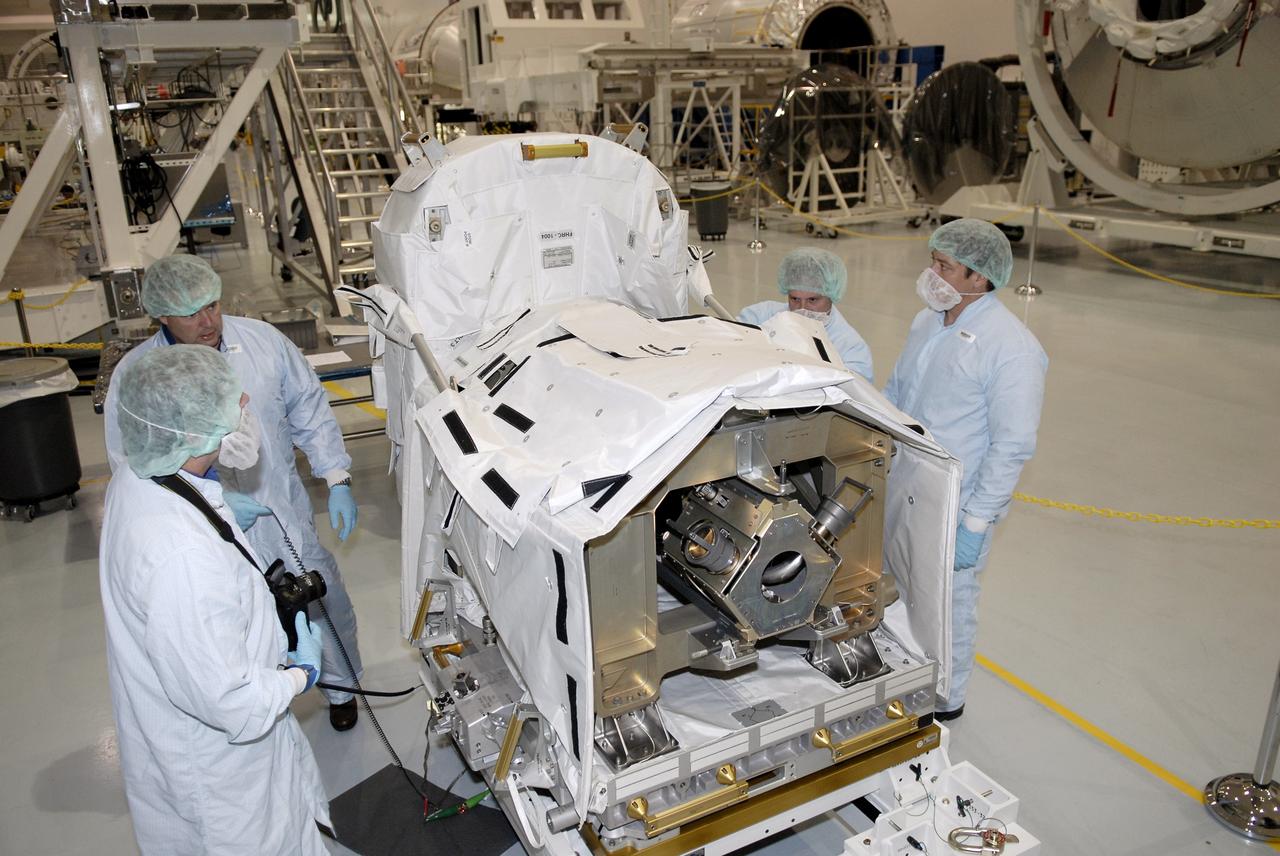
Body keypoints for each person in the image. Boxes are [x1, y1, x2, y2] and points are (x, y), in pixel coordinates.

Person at [103, 253, 364, 731]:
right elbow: (132, 462)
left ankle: (341, 688)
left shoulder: (262, 342)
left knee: (323, 606)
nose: (208, 322)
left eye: (214, 305)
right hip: (205, 531)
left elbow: (309, 407)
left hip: (280, 512)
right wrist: (210, 509)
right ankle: (263, 703)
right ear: (162, 315)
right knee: (242, 624)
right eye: (191, 312)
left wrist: (337, 479)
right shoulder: (139, 378)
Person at [100, 345, 332, 854]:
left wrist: (219, 506)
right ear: (192, 428)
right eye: (233, 400)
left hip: (191, 735)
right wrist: (301, 673)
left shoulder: (143, 480)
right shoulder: (181, 555)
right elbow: (234, 704)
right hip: (221, 776)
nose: (246, 400)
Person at [883, 218, 1047, 720]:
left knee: (949, 602)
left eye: (944, 265)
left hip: (956, 500)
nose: (931, 273)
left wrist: (976, 523)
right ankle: (901, 675)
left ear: (979, 278)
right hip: (904, 480)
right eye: (932, 261)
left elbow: (1012, 445)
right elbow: (897, 392)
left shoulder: (1011, 348)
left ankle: (945, 698)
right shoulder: (927, 321)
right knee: (898, 587)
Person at [739, 247, 874, 382]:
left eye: (812, 300)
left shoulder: (850, 347)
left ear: (832, 295)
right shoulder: (760, 316)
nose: (802, 309)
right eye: (795, 299)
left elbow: (855, 392)